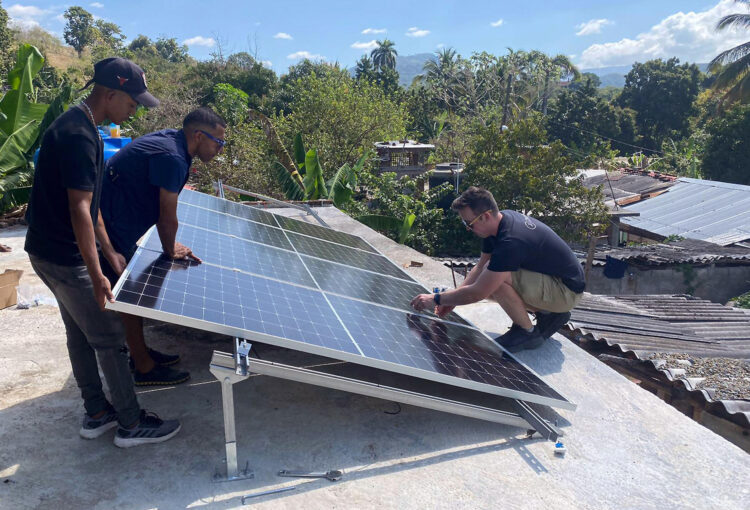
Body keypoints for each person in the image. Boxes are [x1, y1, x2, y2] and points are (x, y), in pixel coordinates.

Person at [24, 57, 180, 447]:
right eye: (131, 102)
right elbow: (78, 209)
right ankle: (130, 423)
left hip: (44, 252)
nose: (134, 109)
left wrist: (110, 253)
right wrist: (97, 276)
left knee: (79, 335)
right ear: (109, 93)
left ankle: (97, 413)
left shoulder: (79, 125)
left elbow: (90, 207)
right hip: (64, 257)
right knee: (110, 337)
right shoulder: (78, 136)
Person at [99, 107, 227, 385]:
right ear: (198, 136)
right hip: (107, 231)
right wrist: (171, 249)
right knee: (129, 297)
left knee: (134, 293)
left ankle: (140, 351)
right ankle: (143, 367)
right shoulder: (173, 158)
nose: (220, 149)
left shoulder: (174, 143)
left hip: (117, 221)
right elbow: (166, 215)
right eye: (218, 142)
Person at [410, 186, 584, 353]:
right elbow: (479, 267)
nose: (468, 228)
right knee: (488, 275)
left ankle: (527, 333)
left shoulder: (511, 241)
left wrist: (437, 299)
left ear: (485, 216)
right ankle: (548, 313)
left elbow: (477, 293)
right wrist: (452, 299)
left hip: (565, 291)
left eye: (469, 223)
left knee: (496, 281)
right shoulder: (497, 224)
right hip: (552, 282)